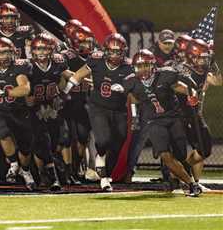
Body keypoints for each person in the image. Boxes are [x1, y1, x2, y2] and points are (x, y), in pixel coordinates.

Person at [119, 49, 202, 197]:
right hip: (153, 121)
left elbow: (183, 87)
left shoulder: (165, 75)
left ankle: (177, 180)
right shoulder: (131, 81)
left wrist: (192, 94)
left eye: (145, 65)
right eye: (139, 67)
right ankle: (191, 184)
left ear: (153, 65)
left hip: (173, 118)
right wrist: (133, 112)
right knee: (165, 155)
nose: (142, 70)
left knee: (181, 154)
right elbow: (132, 99)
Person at [63, 33, 132, 191]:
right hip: (98, 106)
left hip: (119, 109)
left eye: (118, 51)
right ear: (105, 51)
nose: (115, 55)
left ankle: (106, 176)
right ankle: (100, 157)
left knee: (119, 142)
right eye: (112, 51)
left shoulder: (129, 66)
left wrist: (125, 88)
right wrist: (67, 89)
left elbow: (136, 90)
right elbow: (80, 74)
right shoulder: (96, 60)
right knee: (103, 140)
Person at [0, 37, 37, 190]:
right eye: (0, 53)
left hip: (19, 111)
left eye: (7, 53)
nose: (4, 57)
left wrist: (5, 93)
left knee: (25, 148)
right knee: (3, 134)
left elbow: (25, 88)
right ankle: (13, 163)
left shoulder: (20, 67)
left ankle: (25, 171)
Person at [177, 39, 222, 191]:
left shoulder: (204, 71)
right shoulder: (183, 69)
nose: (205, 60)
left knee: (204, 149)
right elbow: (175, 86)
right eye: (202, 57)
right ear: (192, 56)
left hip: (196, 114)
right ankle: (180, 175)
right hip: (182, 115)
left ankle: (190, 177)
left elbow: (218, 81)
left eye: (206, 58)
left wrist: (214, 65)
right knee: (195, 149)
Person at [27, 33, 69, 190]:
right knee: (42, 141)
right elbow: (22, 87)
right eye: (38, 49)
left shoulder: (58, 63)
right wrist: (28, 100)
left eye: (45, 49)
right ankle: (52, 177)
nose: (41, 52)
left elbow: (65, 80)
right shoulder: (28, 66)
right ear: (32, 51)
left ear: (52, 50)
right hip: (35, 109)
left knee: (57, 141)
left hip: (52, 108)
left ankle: (49, 171)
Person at [60, 24, 95, 183]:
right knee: (65, 137)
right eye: (83, 43)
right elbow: (62, 74)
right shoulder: (65, 56)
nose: (87, 46)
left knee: (83, 137)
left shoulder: (95, 57)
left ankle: (75, 169)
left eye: (89, 42)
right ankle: (65, 171)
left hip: (83, 101)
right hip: (66, 101)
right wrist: (82, 78)